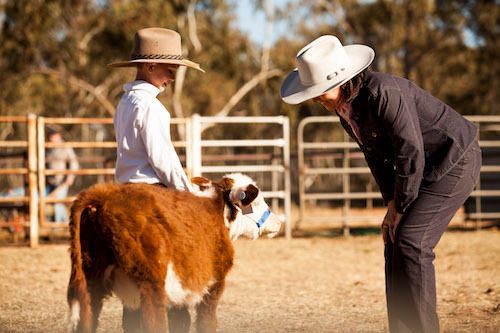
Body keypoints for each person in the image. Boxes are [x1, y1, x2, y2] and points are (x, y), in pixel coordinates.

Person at [280, 35, 481, 333]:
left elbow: (409, 151)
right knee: (393, 237)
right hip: (420, 166)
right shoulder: (345, 110)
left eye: (319, 90)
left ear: (342, 81)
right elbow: (376, 158)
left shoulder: (385, 92)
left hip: (454, 160)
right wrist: (391, 204)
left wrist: (401, 206)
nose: (315, 98)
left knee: (412, 241)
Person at [108, 27, 204, 191]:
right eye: (170, 71)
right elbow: (162, 160)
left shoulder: (124, 102)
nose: (172, 78)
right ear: (151, 67)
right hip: (149, 189)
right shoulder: (151, 107)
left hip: (123, 189)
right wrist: (187, 191)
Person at [45, 128, 79, 223]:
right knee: (50, 202)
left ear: (58, 136)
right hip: (50, 182)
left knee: (58, 203)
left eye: (53, 137)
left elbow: (73, 163)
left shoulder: (65, 147)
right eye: (50, 137)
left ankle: (58, 225)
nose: (51, 139)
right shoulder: (48, 148)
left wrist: (70, 177)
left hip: (62, 181)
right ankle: (65, 223)